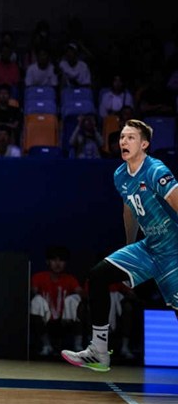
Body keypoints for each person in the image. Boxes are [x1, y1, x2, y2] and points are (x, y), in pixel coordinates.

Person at [61, 119, 178, 371]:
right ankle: (99, 351)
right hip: (149, 247)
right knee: (98, 275)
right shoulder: (120, 175)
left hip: (173, 250)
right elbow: (129, 211)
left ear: (144, 144)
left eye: (131, 137)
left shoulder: (156, 170)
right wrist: (129, 250)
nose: (123, 141)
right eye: (122, 137)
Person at [30, 245, 84, 357]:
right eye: (54, 260)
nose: (58, 264)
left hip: (65, 320)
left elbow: (81, 293)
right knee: (36, 301)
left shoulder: (70, 279)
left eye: (61, 260)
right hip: (46, 319)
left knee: (76, 301)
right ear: (48, 262)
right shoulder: (39, 277)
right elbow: (32, 292)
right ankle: (46, 346)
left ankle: (78, 347)